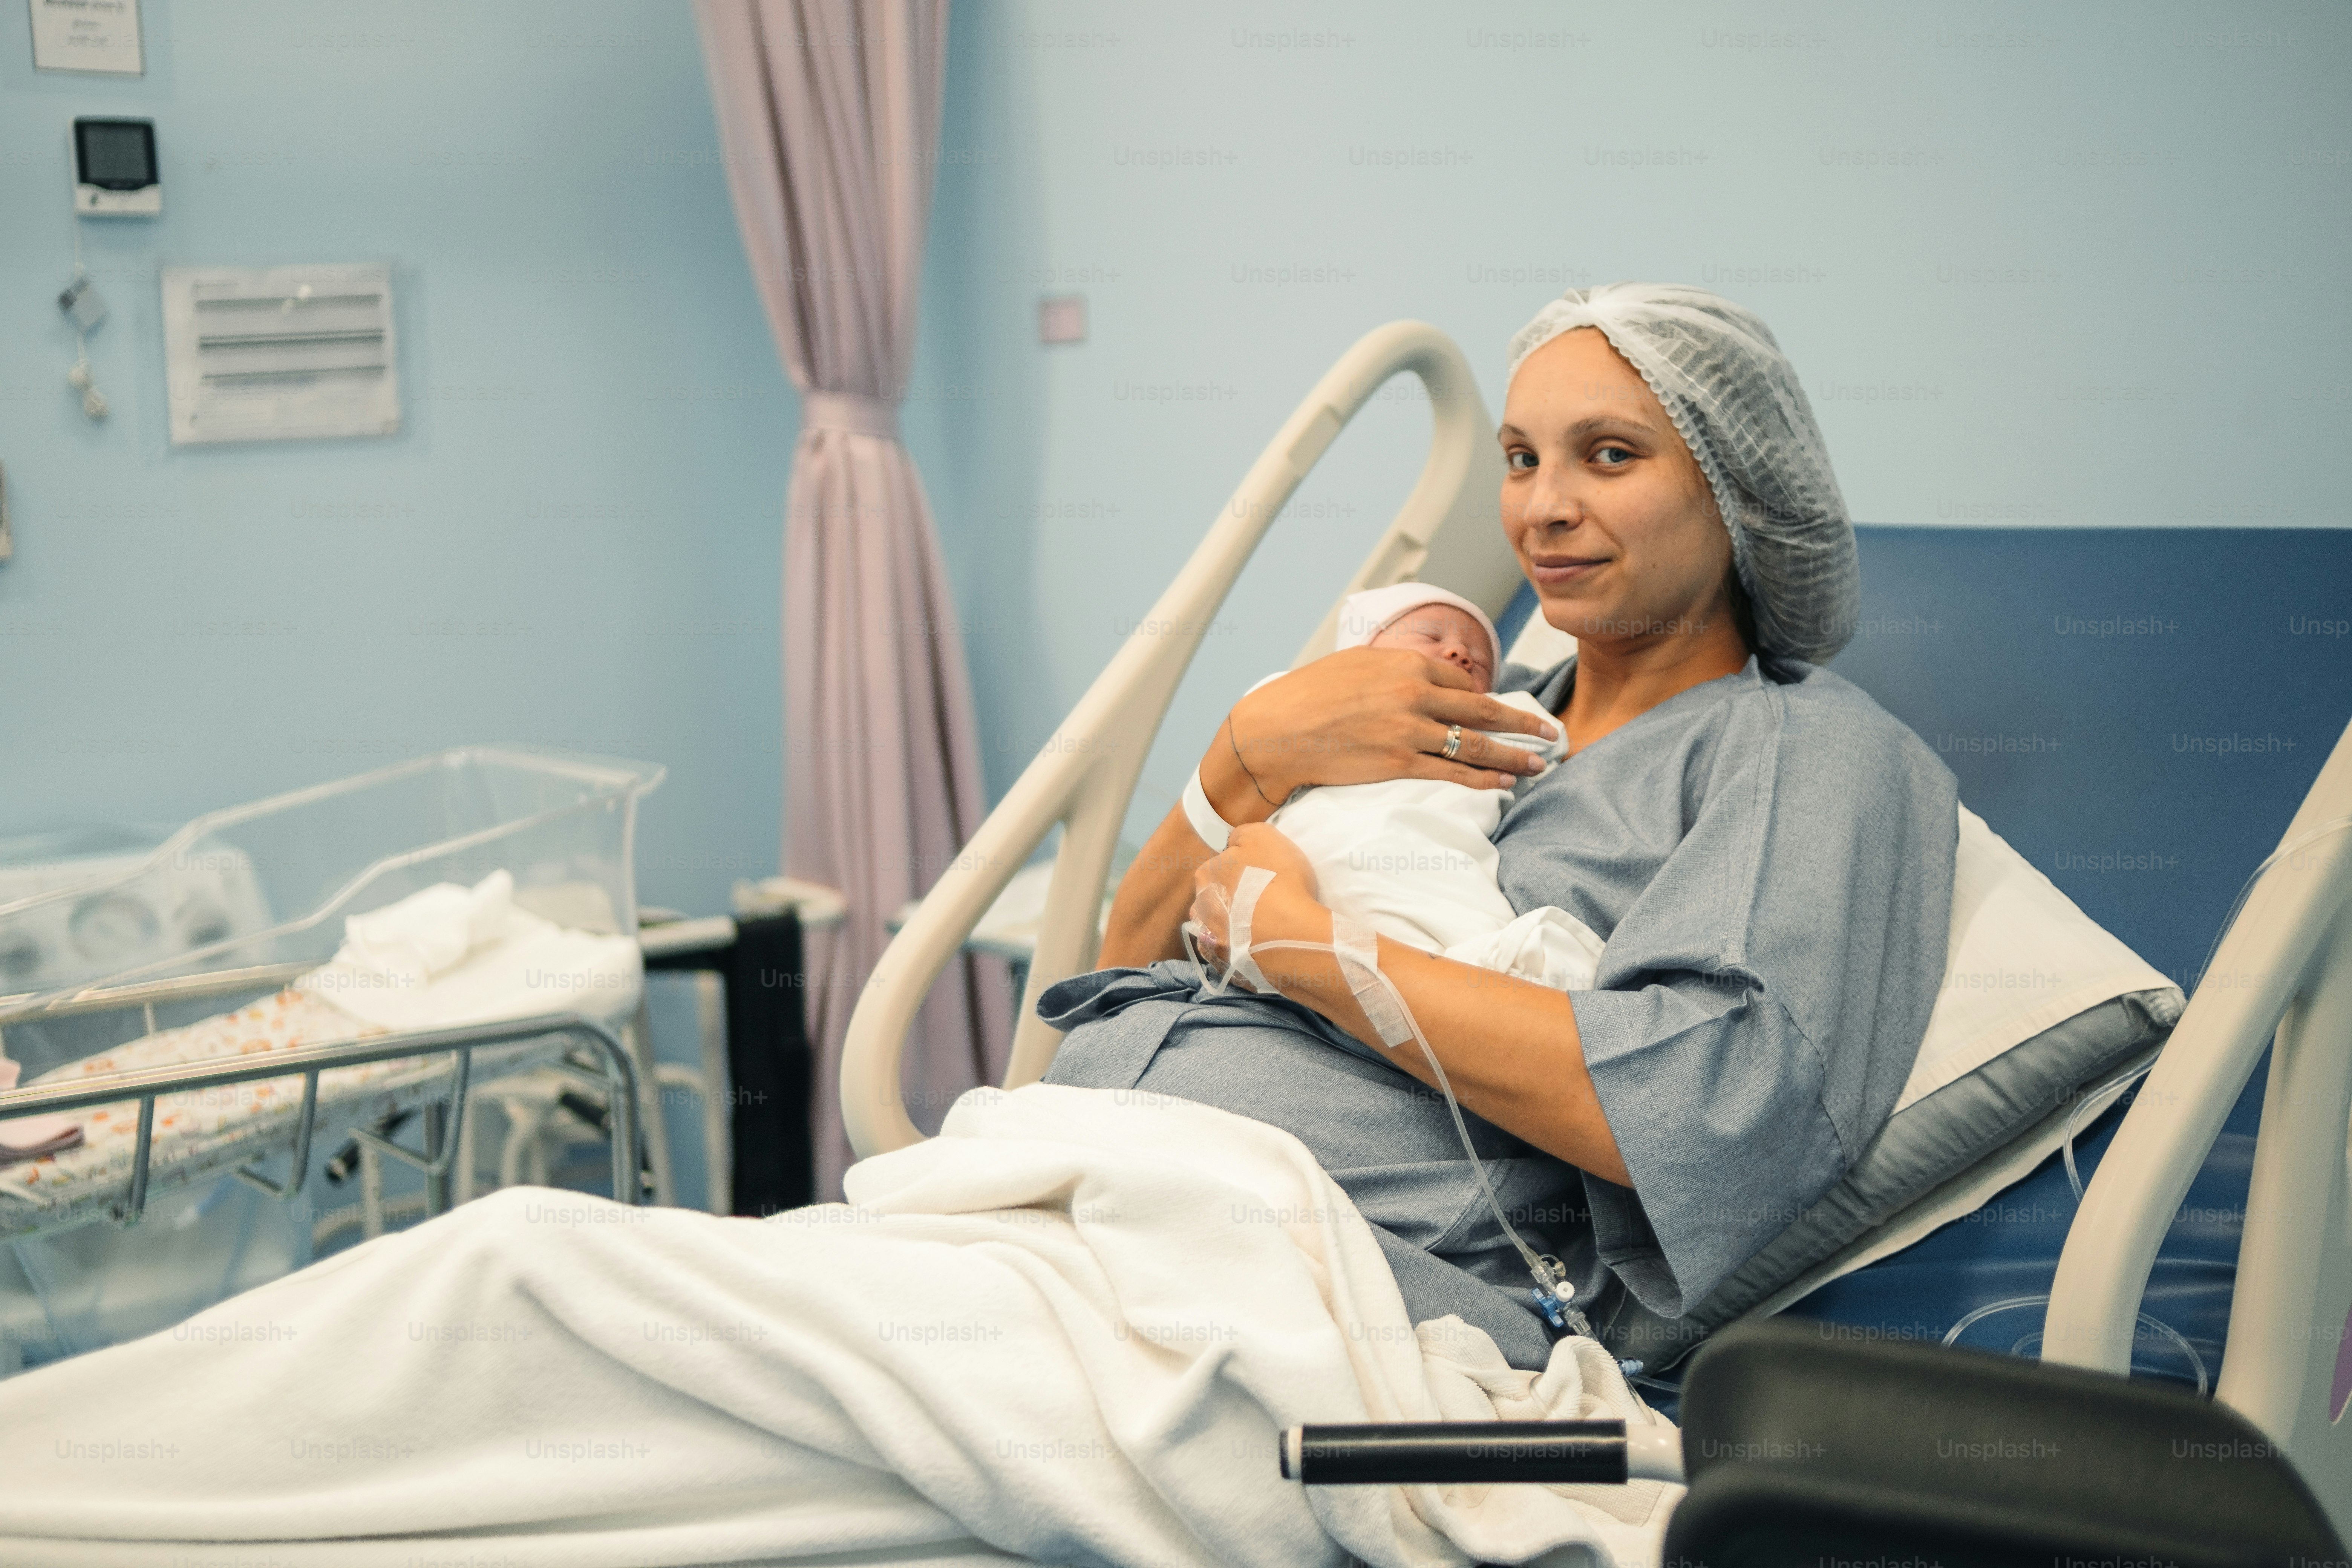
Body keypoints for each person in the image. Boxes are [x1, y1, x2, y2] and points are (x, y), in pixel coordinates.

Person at [1042, 282, 1958, 1371]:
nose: (1541, 509)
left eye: (1610, 456)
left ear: (1737, 493)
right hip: (1076, 1175)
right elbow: (1116, 978)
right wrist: (1240, 759)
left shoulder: (1804, 748)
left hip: (1321, 1277)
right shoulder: (1469, 706)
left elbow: (1712, 1110)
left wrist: (1311, 953)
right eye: (1521, 459)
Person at [1211, 582, 1606, 994]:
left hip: (1414, 867)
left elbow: (1544, 739)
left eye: (1481, 660)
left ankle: (1513, 1005)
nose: (1459, 653)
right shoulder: (1307, 713)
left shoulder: (1493, 722)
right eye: (1432, 637)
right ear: (1356, 662)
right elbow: (1260, 721)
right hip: (1298, 864)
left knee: (1451, 942)